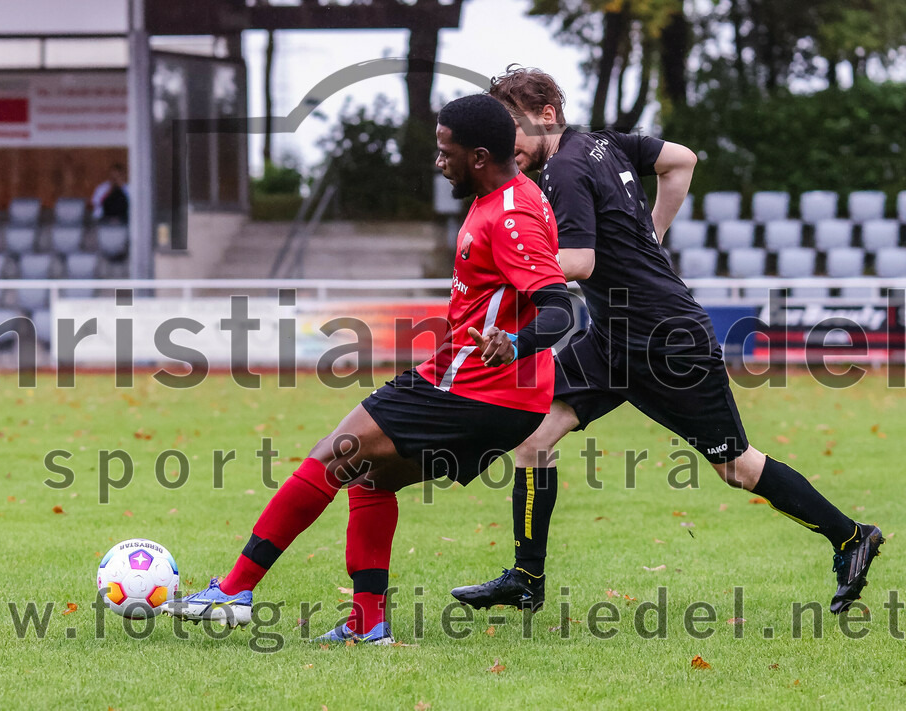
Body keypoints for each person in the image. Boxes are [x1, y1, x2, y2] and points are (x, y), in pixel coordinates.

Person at [450, 66, 882, 616]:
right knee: (537, 436)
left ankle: (851, 537)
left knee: (737, 466)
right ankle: (526, 579)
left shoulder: (562, 168)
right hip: (613, 335)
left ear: (547, 115)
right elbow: (681, 161)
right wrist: (651, 233)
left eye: (509, 126)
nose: (503, 142)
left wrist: (507, 264)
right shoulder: (604, 142)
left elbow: (579, 262)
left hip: (665, 340)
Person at [163, 94, 575, 644]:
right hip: (496, 395)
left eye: (445, 150)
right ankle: (368, 623)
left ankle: (235, 590)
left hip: (474, 388)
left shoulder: (512, 213)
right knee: (370, 478)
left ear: (479, 156)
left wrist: (513, 344)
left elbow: (561, 308)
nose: (438, 160)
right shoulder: (511, 195)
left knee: (336, 453)